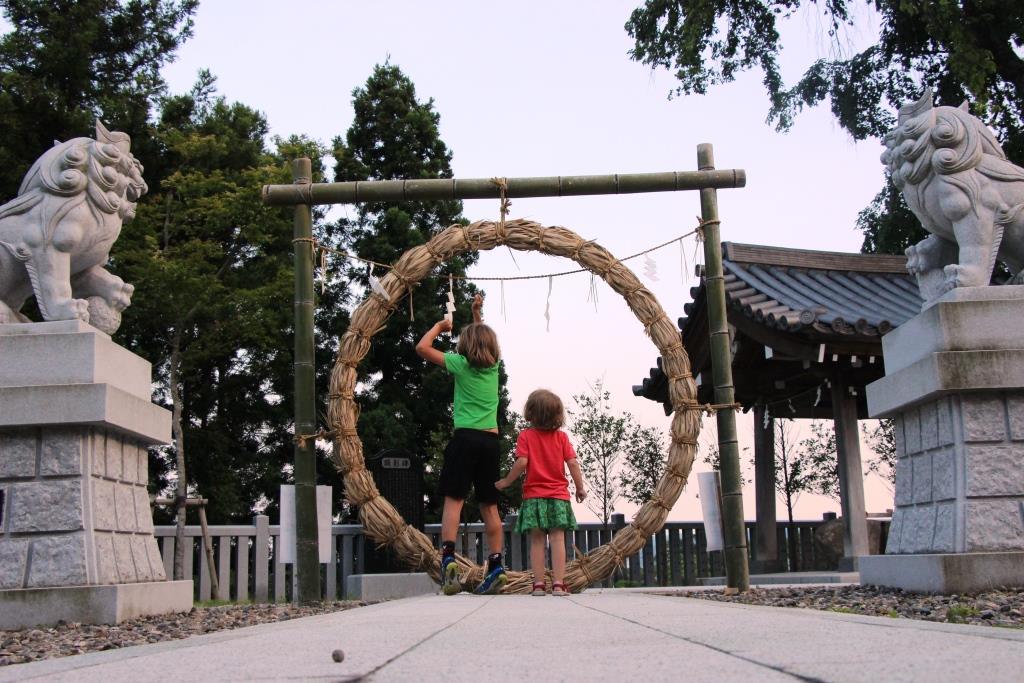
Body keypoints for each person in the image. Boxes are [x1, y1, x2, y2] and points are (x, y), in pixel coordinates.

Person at [415, 293, 507, 595]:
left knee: (454, 501)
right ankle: (496, 566)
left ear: (464, 347)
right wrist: (477, 315)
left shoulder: (459, 364)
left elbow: (422, 348)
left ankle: (448, 558)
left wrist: (440, 326)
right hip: (491, 442)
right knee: (490, 506)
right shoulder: (494, 368)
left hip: (465, 438)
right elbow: (483, 341)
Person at [495, 389, 587, 596]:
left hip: (534, 496)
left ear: (530, 412)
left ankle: (538, 585)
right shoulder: (562, 438)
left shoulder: (526, 436)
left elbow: (522, 463)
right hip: (558, 496)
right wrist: (580, 487)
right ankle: (558, 584)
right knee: (557, 539)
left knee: (536, 541)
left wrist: (506, 481)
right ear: (557, 415)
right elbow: (572, 463)